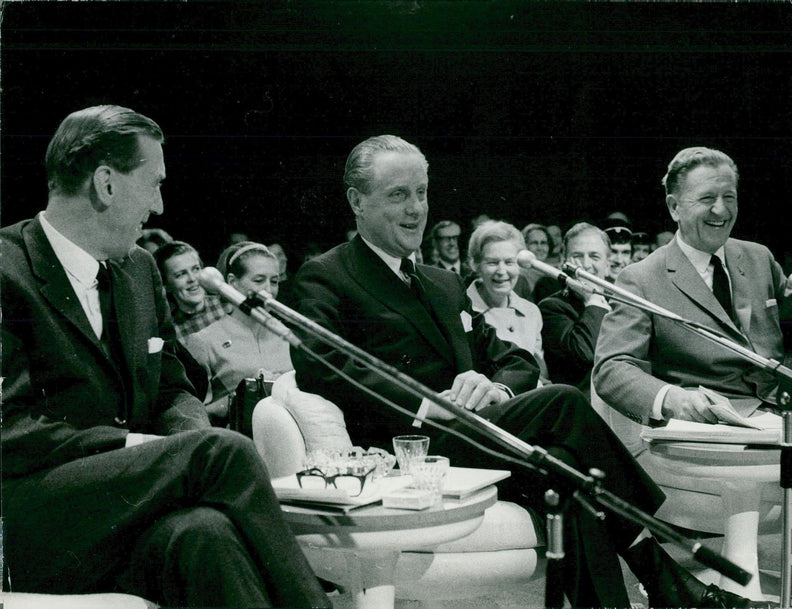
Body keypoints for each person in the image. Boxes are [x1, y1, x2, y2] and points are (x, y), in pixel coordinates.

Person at [290, 134, 767, 609]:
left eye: (422, 192)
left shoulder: (442, 283)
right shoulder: (326, 276)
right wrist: (432, 400)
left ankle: (642, 597)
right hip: (409, 448)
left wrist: (493, 385)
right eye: (398, 195)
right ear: (357, 201)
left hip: (477, 434)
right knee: (562, 401)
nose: (416, 208)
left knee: (566, 468)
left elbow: (515, 360)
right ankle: (667, 579)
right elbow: (322, 367)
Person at [1, 105, 330, 608]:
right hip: (28, 520)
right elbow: (9, 431)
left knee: (206, 533)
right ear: (106, 185)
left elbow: (174, 386)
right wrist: (147, 447)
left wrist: (181, 445)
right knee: (224, 451)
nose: (158, 206)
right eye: (154, 183)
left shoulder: (138, 270)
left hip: (124, 506)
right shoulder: (6, 269)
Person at [594, 146, 792, 426]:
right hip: (710, 428)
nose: (721, 209)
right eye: (706, 199)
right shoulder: (640, 278)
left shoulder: (758, 257)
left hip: (785, 412)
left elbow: (785, 316)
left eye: (729, 197)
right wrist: (670, 399)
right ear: (674, 207)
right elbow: (611, 369)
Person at [184, 241, 293, 423]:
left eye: (274, 281)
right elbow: (193, 415)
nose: (268, 290)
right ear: (232, 282)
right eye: (258, 280)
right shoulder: (203, 341)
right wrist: (245, 396)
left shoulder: (289, 335)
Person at [465, 220, 549, 382]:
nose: (502, 271)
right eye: (492, 262)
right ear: (475, 265)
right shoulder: (462, 310)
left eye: (509, 262)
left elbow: (540, 371)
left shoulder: (531, 311)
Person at [539, 222, 611, 396]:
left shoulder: (622, 302)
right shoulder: (552, 307)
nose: (585, 265)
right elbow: (585, 354)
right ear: (564, 263)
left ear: (608, 265)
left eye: (594, 257)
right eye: (577, 256)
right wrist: (593, 299)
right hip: (581, 409)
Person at [154, 240, 227, 340]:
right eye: (180, 274)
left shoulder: (228, 306)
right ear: (166, 286)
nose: (192, 279)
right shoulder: (170, 333)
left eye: (196, 269)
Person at [521, 222, 561, 302]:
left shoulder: (555, 273)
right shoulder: (520, 275)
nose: (539, 248)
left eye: (543, 243)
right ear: (525, 245)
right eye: (534, 243)